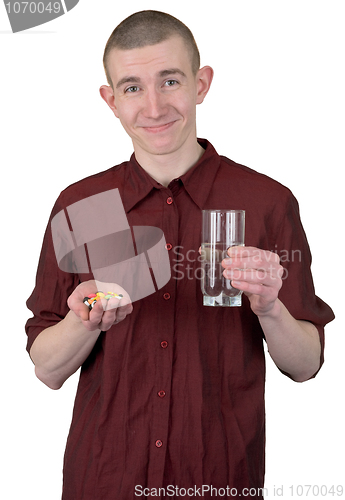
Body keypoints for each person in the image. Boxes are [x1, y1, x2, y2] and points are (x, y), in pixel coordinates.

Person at [26, 10, 334, 500]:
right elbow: (47, 369)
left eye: (169, 81)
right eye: (132, 87)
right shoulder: (82, 206)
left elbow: (305, 365)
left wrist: (271, 309)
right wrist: (82, 322)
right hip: (103, 480)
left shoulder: (265, 202)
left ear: (201, 83)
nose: (153, 107)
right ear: (110, 100)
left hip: (219, 480)